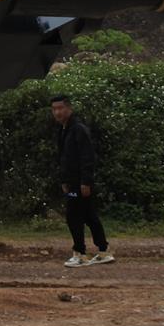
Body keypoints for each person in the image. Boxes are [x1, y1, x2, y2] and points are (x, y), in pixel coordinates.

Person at [51, 94, 113, 267]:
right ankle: (103, 251)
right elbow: (65, 158)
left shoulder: (78, 129)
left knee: (73, 216)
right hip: (72, 182)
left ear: (69, 108)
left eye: (60, 108)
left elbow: (88, 157)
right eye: (54, 109)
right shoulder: (63, 130)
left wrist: (86, 181)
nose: (57, 112)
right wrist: (64, 180)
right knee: (88, 215)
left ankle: (80, 253)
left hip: (80, 183)